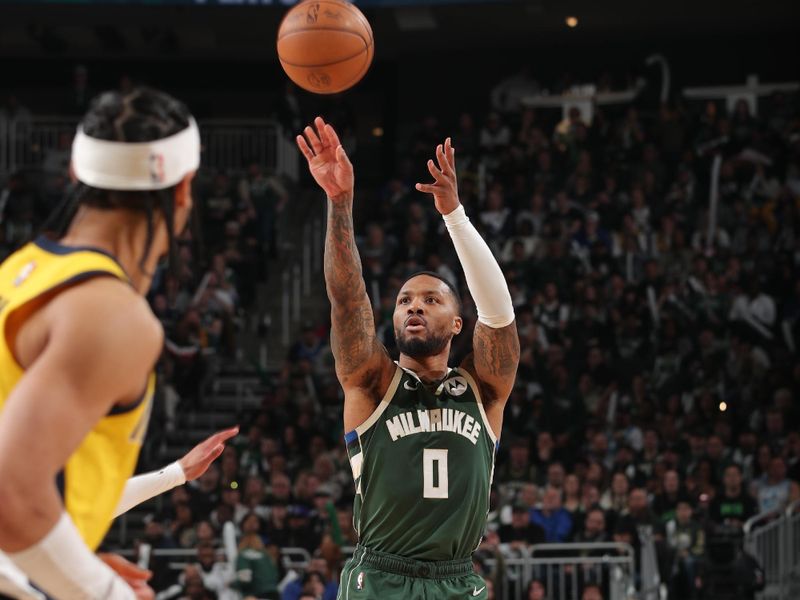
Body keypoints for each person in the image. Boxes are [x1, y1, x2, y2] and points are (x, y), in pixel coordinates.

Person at [296, 117, 519, 599]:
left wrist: (454, 214)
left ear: (458, 324)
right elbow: (349, 298)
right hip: (381, 578)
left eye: (432, 299)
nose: (414, 305)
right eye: (403, 301)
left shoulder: (483, 389)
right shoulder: (372, 383)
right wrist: (340, 202)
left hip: (458, 579)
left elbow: (499, 315)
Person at [0, 87, 200, 599]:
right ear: (183, 190)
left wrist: (56, 562)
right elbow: (12, 495)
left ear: (76, 175)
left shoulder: (20, 272)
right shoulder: (110, 313)